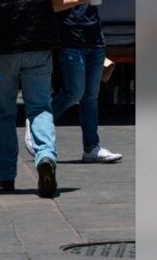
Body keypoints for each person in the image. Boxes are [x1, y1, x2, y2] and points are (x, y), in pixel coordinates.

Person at [0, 0, 87, 198]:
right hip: (38, 44)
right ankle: (45, 156)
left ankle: (6, 175)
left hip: (2, 47)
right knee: (40, 108)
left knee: (3, 113)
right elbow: (55, 4)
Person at [24, 3, 122, 163]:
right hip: (71, 39)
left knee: (91, 96)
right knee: (74, 92)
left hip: (95, 38)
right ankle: (37, 120)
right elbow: (52, 6)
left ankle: (91, 147)